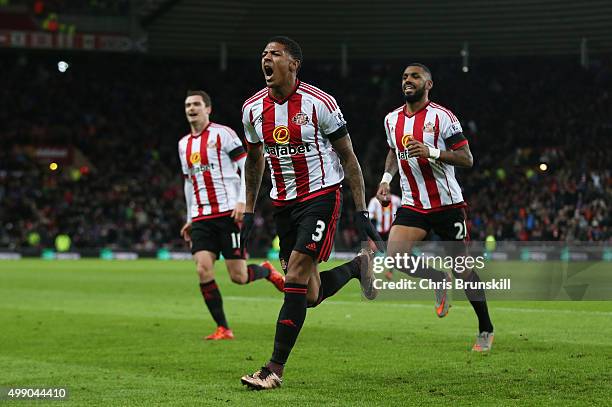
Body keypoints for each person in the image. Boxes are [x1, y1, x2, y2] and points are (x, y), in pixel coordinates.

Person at [239, 36, 383, 390]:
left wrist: (362, 209)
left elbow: (349, 157)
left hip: (321, 196)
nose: (266, 59)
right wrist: (247, 210)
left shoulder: (320, 103)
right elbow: (255, 161)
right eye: (263, 54)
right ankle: (357, 267)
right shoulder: (252, 109)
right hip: (283, 205)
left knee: (297, 275)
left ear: (293, 63)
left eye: (274, 53)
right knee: (310, 295)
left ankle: (273, 368)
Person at [377, 63, 494, 352]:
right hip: (413, 203)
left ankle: (485, 328)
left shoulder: (443, 117)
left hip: (447, 204)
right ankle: (437, 278)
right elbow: (393, 150)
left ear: (428, 84)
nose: (408, 80)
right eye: (404, 76)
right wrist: (385, 179)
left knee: (463, 269)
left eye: (415, 77)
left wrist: (432, 151)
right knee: (395, 256)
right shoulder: (391, 119)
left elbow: (467, 158)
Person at [178, 90, 285, 341]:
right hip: (202, 216)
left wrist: (242, 202)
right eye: (187, 105)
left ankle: (267, 271)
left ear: (208, 109)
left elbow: (246, 165)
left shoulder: (222, 134)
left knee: (238, 276)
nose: (191, 109)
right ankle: (223, 328)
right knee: (203, 269)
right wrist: (189, 216)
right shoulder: (183, 144)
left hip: (228, 213)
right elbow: (188, 182)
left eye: (196, 104)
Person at [368, 192, 401, 279]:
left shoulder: (396, 200)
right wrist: (373, 215)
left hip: (391, 230)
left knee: (391, 251)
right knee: (372, 249)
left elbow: (402, 210)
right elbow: (368, 214)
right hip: (378, 230)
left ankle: (390, 272)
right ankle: (369, 270)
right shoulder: (374, 201)